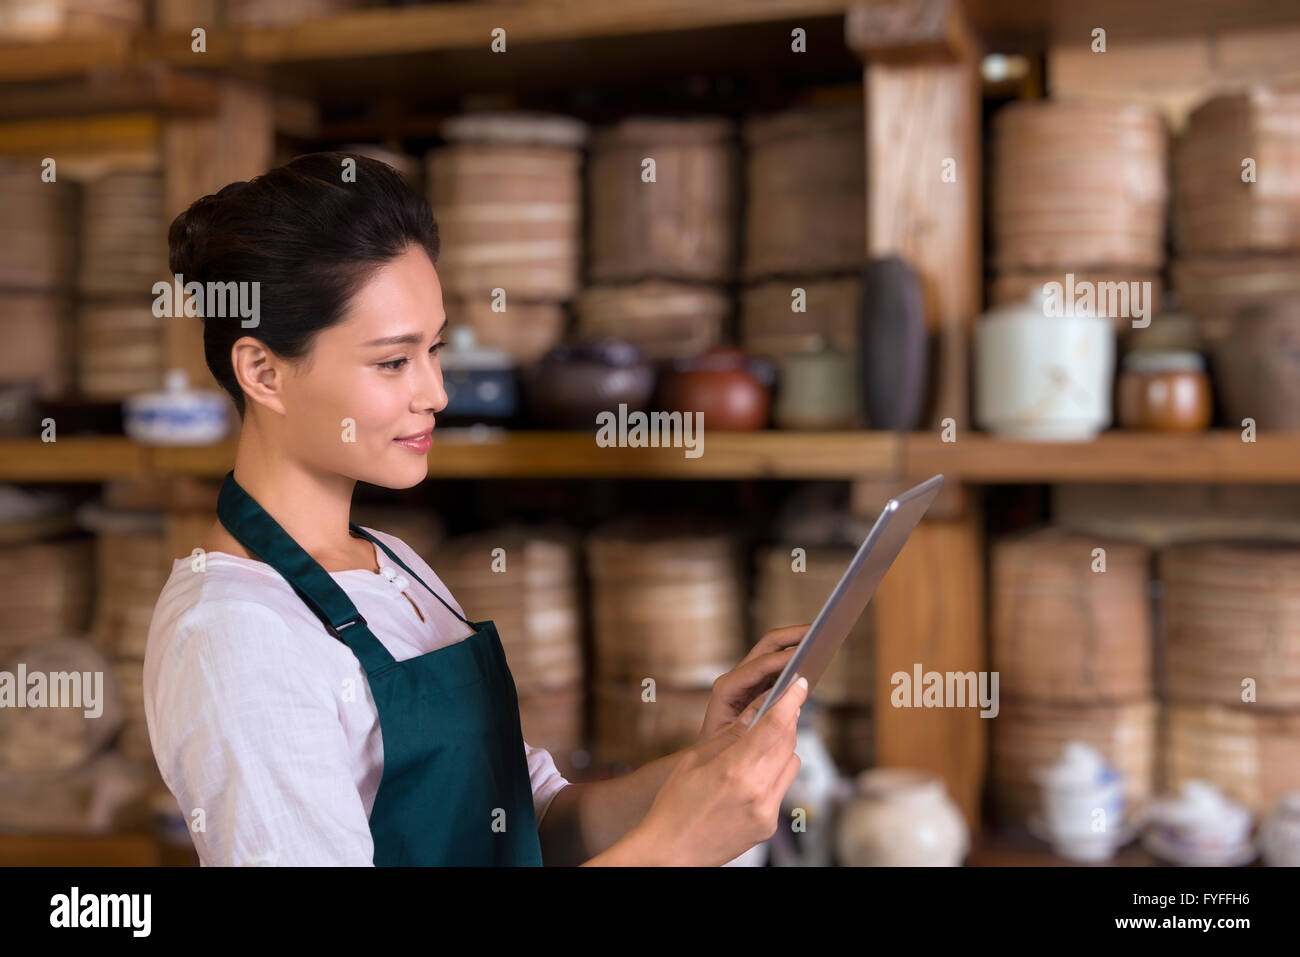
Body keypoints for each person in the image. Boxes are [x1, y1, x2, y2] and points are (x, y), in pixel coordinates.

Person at [143, 152, 809, 866]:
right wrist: (675, 848)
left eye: (433, 348)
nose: (436, 393)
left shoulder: (394, 563)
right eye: (394, 361)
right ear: (263, 371)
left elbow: (530, 819)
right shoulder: (236, 635)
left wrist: (702, 772)